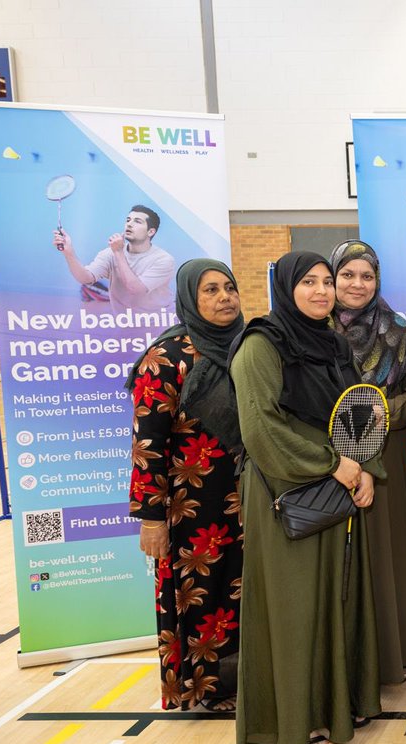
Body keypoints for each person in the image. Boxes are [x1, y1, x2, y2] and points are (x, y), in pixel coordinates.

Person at [231, 251, 381, 744]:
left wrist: (365, 470)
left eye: (326, 282)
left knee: (336, 599)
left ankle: (338, 704)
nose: (322, 291)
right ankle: (300, 722)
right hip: (286, 489)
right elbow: (261, 430)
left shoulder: (332, 342)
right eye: (309, 282)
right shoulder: (260, 345)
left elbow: (354, 408)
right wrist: (330, 464)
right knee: (298, 608)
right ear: (285, 287)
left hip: (337, 482)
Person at [130, 259, 245, 712]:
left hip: (245, 496)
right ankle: (204, 690)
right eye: (211, 291)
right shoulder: (167, 357)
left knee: (240, 591)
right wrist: (152, 518)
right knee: (200, 596)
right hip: (189, 508)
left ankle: (242, 680)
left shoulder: (247, 345)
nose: (225, 298)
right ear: (188, 299)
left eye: (229, 288)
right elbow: (147, 443)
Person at [330, 239, 406, 683]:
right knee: (342, 558)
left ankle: (397, 649)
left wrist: (385, 412)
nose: (358, 284)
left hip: (388, 451)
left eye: (367, 276)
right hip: (329, 456)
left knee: (389, 551)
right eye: (348, 275)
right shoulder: (314, 329)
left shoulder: (396, 329)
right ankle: (346, 657)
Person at [53, 204, 176, 311]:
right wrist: (69, 252)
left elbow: (136, 290)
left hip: (160, 325)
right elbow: (85, 278)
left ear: (150, 232)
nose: (129, 224)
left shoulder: (163, 260)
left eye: (137, 221)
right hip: (125, 325)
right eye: (128, 220)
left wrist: (118, 253)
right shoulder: (109, 253)